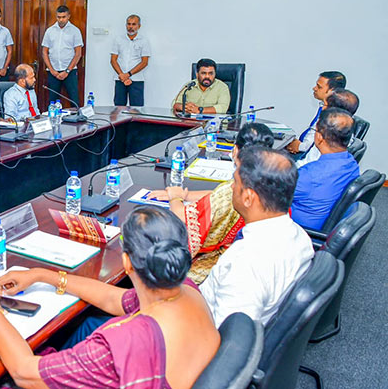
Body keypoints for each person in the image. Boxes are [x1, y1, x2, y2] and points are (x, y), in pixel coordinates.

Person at [0, 205, 220, 388]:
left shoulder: (124, 342)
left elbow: (24, 372)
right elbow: (113, 299)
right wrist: (44, 276)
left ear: (126, 263)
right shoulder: (186, 289)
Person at [146, 122, 275, 283]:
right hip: (243, 259)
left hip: (212, 267)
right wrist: (186, 195)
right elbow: (217, 195)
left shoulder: (236, 188)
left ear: (235, 150)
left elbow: (182, 224)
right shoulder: (264, 181)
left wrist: (175, 197)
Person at [200, 146, 314, 327]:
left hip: (199, 329)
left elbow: (228, 340)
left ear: (248, 197)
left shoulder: (245, 263)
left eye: (235, 181)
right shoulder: (300, 237)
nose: (231, 186)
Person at [291, 108, 360, 230]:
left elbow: (272, 195)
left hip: (299, 229)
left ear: (319, 137)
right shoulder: (351, 163)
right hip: (322, 223)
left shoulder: (310, 174)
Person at [285, 71, 346, 155]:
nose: (314, 88)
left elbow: (315, 146)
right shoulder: (324, 106)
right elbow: (312, 132)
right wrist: (296, 142)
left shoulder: (333, 116)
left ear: (332, 91)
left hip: (305, 156)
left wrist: (298, 146)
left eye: (319, 87)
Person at [296, 89, 359, 168]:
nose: (322, 108)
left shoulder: (328, 140)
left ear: (334, 112)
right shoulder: (344, 135)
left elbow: (306, 166)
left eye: (324, 105)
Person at [41, 5, 83, 106]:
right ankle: (53, 120)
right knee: (52, 101)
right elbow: (44, 52)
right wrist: (52, 70)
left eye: (63, 17)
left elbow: (78, 53)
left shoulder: (75, 31)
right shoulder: (50, 31)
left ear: (68, 16)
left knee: (74, 100)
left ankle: (77, 120)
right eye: (59, 17)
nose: (61, 20)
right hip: (53, 72)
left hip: (70, 72)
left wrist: (67, 71)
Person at [110, 14, 151, 106]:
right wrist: (122, 75)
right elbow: (113, 60)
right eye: (128, 24)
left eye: (133, 24)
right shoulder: (118, 39)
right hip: (120, 79)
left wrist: (128, 74)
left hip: (137, 79)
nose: (130, 27)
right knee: (118, 108)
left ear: (139, 26)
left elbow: (144, 62)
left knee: (137, 109)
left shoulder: (144, 41)